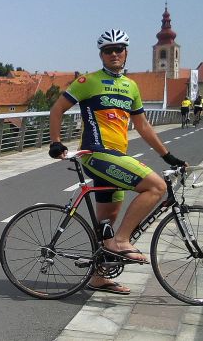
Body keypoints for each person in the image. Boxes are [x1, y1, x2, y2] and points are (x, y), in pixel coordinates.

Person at [49, 28, 187, 296]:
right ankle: (122, 241)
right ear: (101, 54)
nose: (114, 54)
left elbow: (143, 126)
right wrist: (56, 142)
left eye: (118, 49)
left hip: (116, 156)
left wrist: (167, 155)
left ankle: (99, 277)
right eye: (108, 50)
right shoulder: (88, 81)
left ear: (126, 53)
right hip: (96, 154)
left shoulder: (131, 86)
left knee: (107, 222)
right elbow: (57, 110)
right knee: (156, 187)